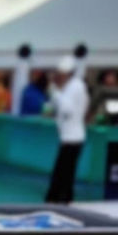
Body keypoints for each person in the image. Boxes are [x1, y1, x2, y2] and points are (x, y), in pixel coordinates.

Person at [45, 55, 89, 202]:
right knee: (65, 172)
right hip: (69, 137)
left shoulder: (75, 86)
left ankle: (58, 200)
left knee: (63, 172)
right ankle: (62, 199)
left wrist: (55, 92)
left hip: (72, 138)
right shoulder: (71, 86)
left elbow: (67, 109)